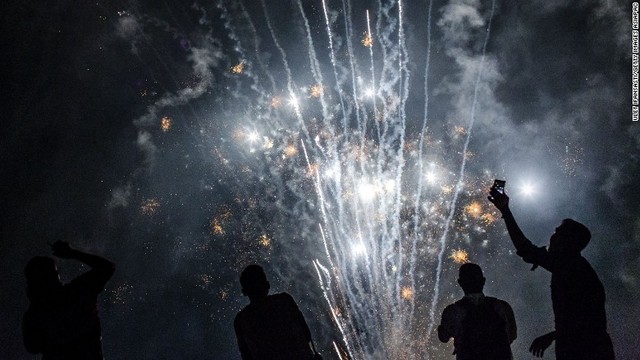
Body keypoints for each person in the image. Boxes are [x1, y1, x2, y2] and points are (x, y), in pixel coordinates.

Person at [488, 186, 615, 359]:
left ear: (568, 242)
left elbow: (526, 249)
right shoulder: (573, 267)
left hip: (585, 350)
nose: (552, 237)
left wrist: (505, 210)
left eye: (557, 233)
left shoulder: (572, 268)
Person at [22, 241, 115, 360]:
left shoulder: (33, 317)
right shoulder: (80, 290)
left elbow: (33, 348)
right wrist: (72, 253)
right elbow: (107, 267)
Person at [234, 264, 320, 360]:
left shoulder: (241, 320)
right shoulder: (285, 301)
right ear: (267, 285)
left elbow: (246, 356)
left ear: (245, 291)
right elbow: (306, 334)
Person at [438, 263, 517, 360]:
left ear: (460, 283)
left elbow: (444, 337)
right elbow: (512, 335)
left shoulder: (453, 311)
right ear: (483, 281)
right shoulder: (502, 307)